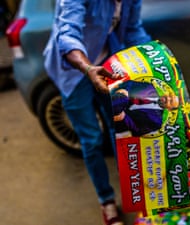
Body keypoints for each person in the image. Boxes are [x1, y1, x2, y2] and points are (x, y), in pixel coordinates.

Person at [43, 0, 151, 225]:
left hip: (107, 63)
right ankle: (107, 201)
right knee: (91, 139)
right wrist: (88, 68)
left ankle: (133, 192)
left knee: (120, 129)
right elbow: (66, 36)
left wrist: (156, 60)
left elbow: (133, 30)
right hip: (73, 72)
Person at [111, 80, 179, 136]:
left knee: (121, 101)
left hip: (119, 122)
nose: (168, 98)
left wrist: (124, 117)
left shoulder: (157, 121)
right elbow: (130, 83)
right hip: (115, 98)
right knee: (122, 99)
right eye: (170, 96)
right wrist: (124, 90)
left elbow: (138, 130)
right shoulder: (149, 87)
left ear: (169, 109)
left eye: (171, 101)